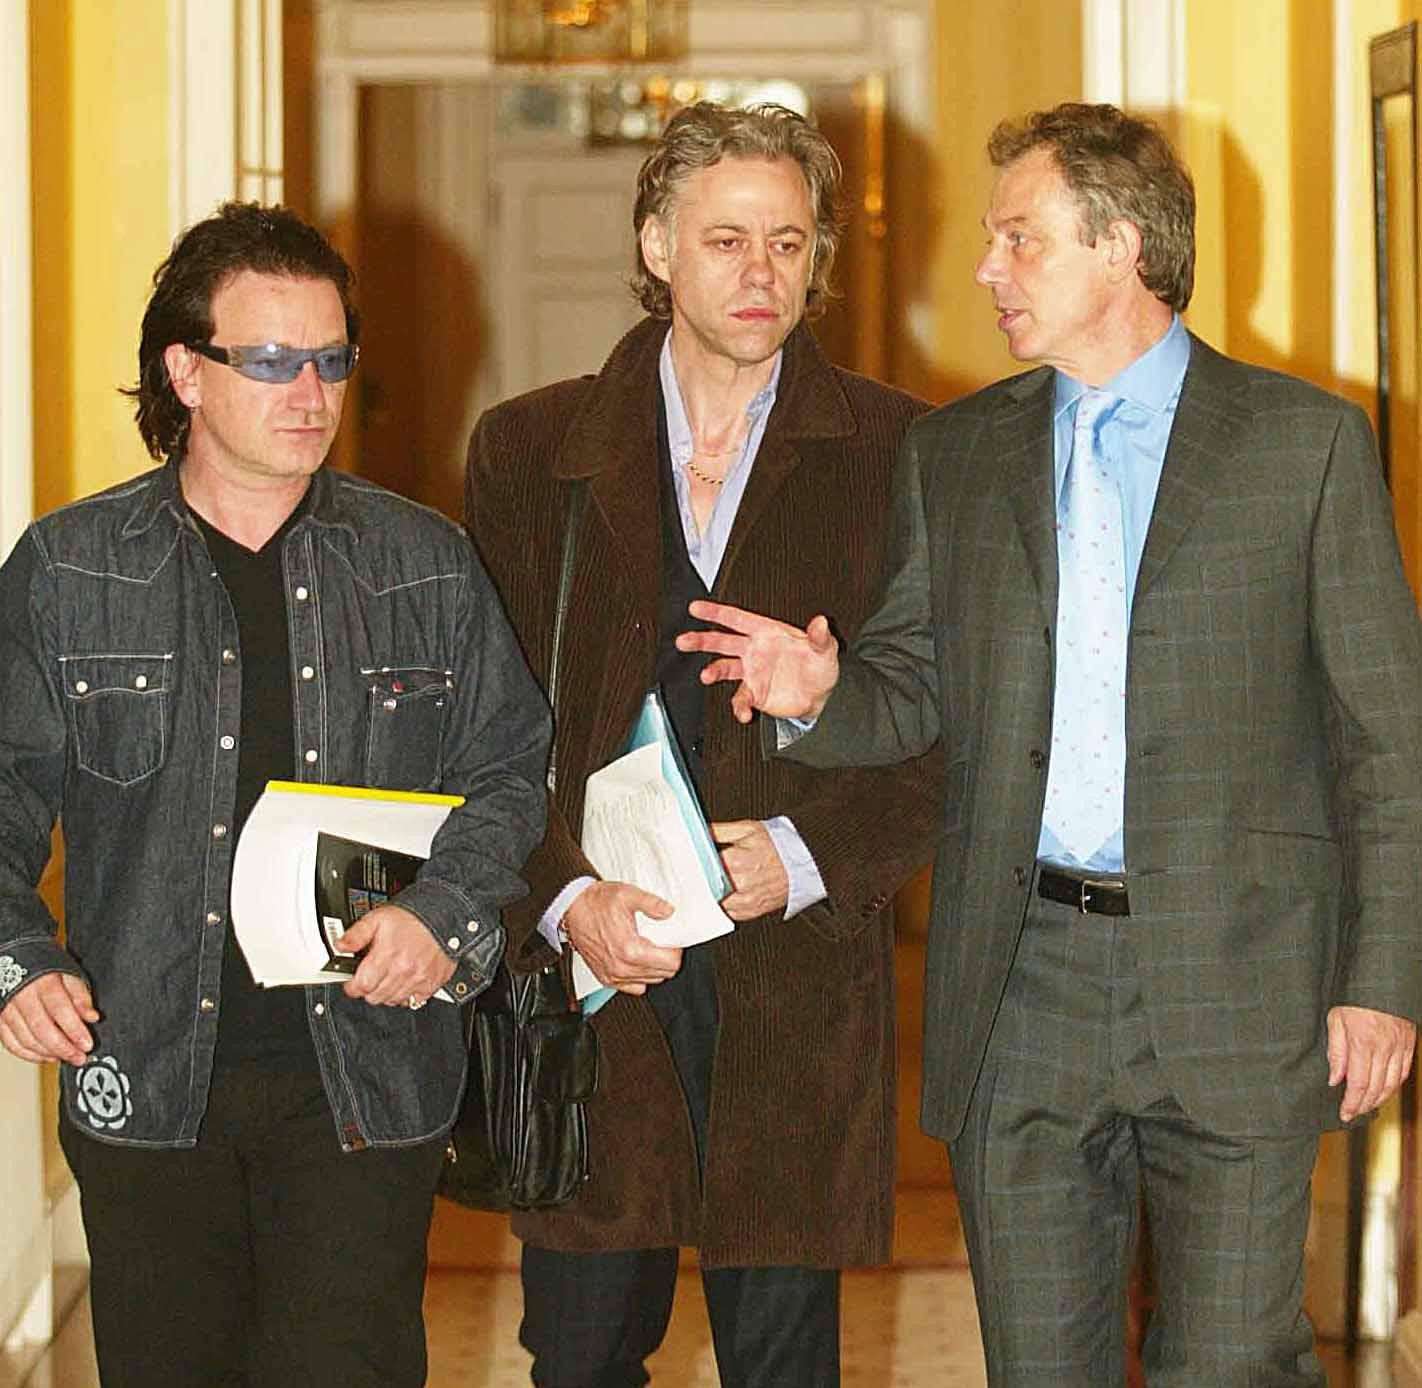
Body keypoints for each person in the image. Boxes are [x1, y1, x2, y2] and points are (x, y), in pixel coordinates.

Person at [678, 102, 1422, 1386]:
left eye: (1018, 237)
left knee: (1234, 1360)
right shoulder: (956, 453)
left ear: (1120, 245)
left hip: (1242, 981)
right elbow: (914, 687)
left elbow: (1387, 744)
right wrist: (821, 688)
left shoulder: (1305, 448)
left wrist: (1385, 976)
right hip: (1020, 982)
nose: (986, 269)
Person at [0, 202, 549, 1386]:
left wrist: (443, 909)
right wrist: (19, 956)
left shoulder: (424, 563)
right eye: (271, 360)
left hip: (363, 1072)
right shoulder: (69, 569)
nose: (311, 390)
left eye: (332, 358)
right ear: (184, 370)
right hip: (146, 1075)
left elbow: (511, 767)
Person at [463, 102, 941, 1387]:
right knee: (579, 1349)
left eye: (790, 243)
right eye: (726, 240)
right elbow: (486, 732)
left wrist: (807, 852)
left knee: (783, 1360)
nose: (761, 274)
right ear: (657, 245)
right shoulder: (529, 450)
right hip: (597, 979)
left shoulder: (905, 452)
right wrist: (563, 897)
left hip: (793, 980)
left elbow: (954, 733)